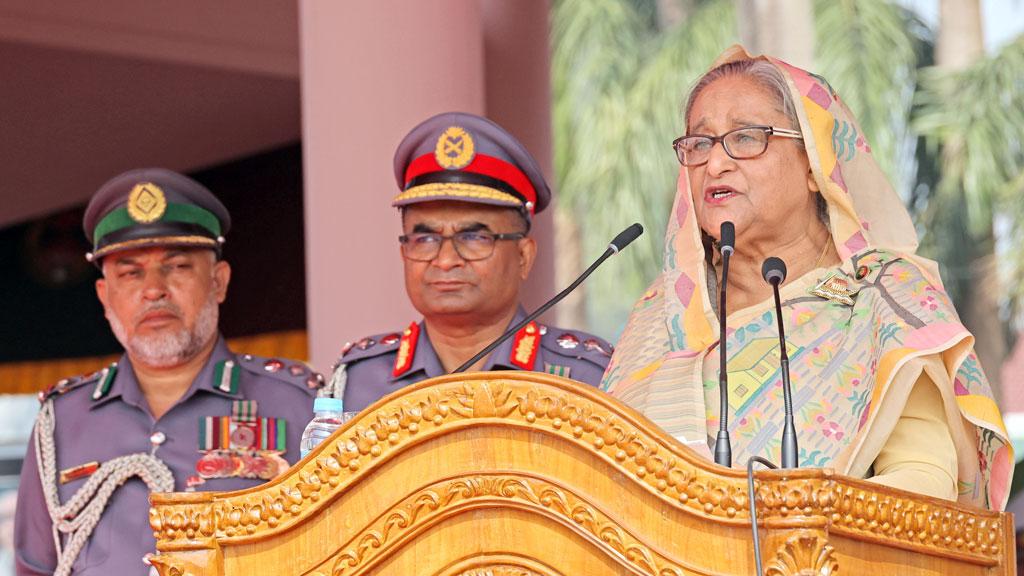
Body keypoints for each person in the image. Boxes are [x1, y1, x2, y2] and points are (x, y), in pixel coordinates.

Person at [601, 46, 1012, 510]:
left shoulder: (881, 298)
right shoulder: (662, 315)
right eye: (699, 144)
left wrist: (794, 530)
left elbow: (924, 479)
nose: (715, 163)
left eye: (746, 137)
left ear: (815, 162)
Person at [14, 168, 321, 575]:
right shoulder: (63, 421)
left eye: (176, 267)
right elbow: (33, 567)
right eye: (131, 272)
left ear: (218, 282)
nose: (153, 289)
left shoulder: (298, 404)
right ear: (105, 297)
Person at [330, 112, 613, 412]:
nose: (446, 260)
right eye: (425, 239)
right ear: (404, 253)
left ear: (523, 256)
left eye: (474, 238)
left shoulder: (587, 379)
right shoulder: (359, 382)